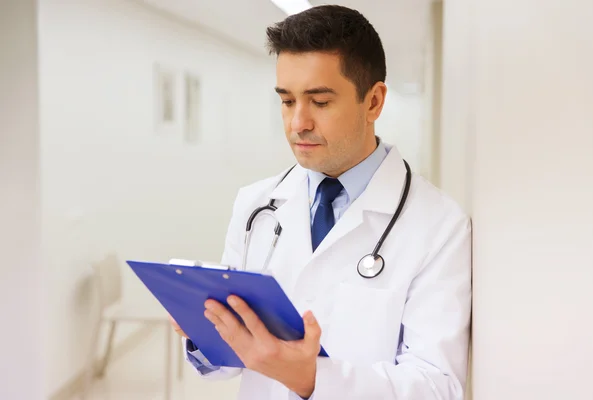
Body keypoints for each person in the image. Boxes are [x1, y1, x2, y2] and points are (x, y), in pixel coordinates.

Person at [171, 5, 472, 400]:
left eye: (320, 101)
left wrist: (311, 379)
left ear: (374, 102)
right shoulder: (256, 204)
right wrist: (207, 334)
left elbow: (438, 386)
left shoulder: (440, 225)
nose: (298, 123)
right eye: (287, 101)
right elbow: (230, 362)